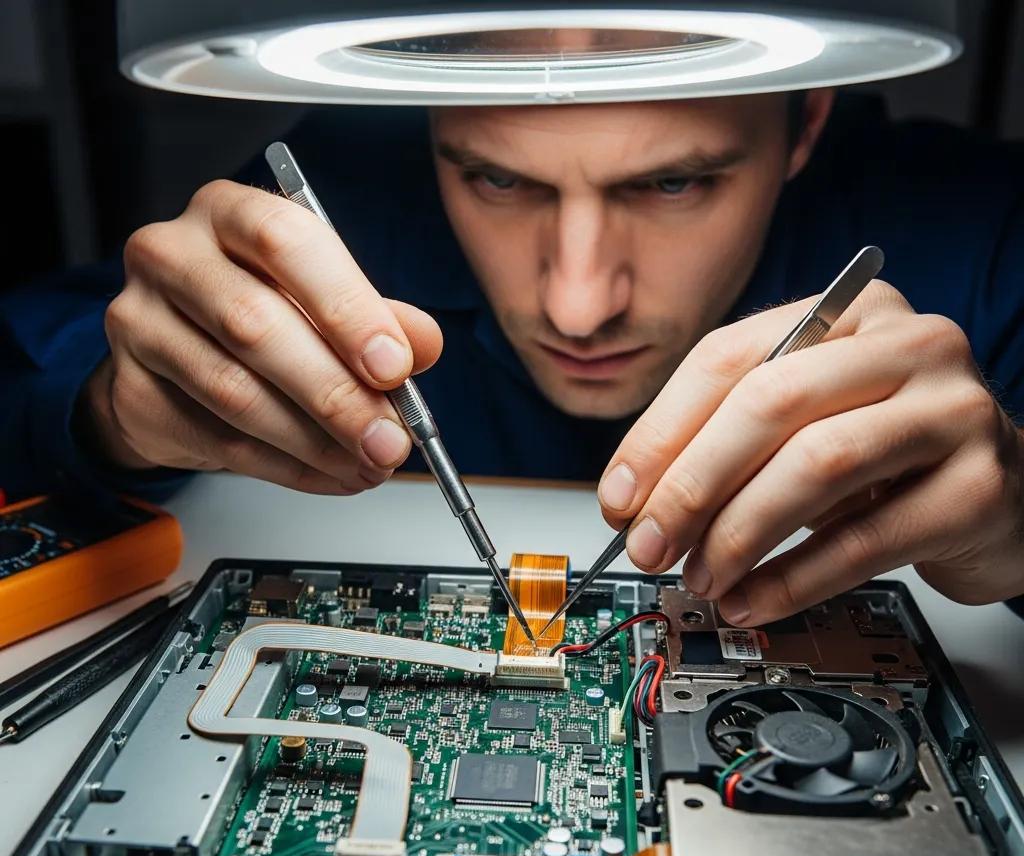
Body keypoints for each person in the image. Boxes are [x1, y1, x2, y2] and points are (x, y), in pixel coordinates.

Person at [2, 89, 1022, 626]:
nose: (576, 304)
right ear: (432, 129)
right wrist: (104, 413)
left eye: (672, 184)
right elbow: (29, 378)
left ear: (806, 121)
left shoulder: (980, 237)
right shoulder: (338, 201)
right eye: (495, 177)